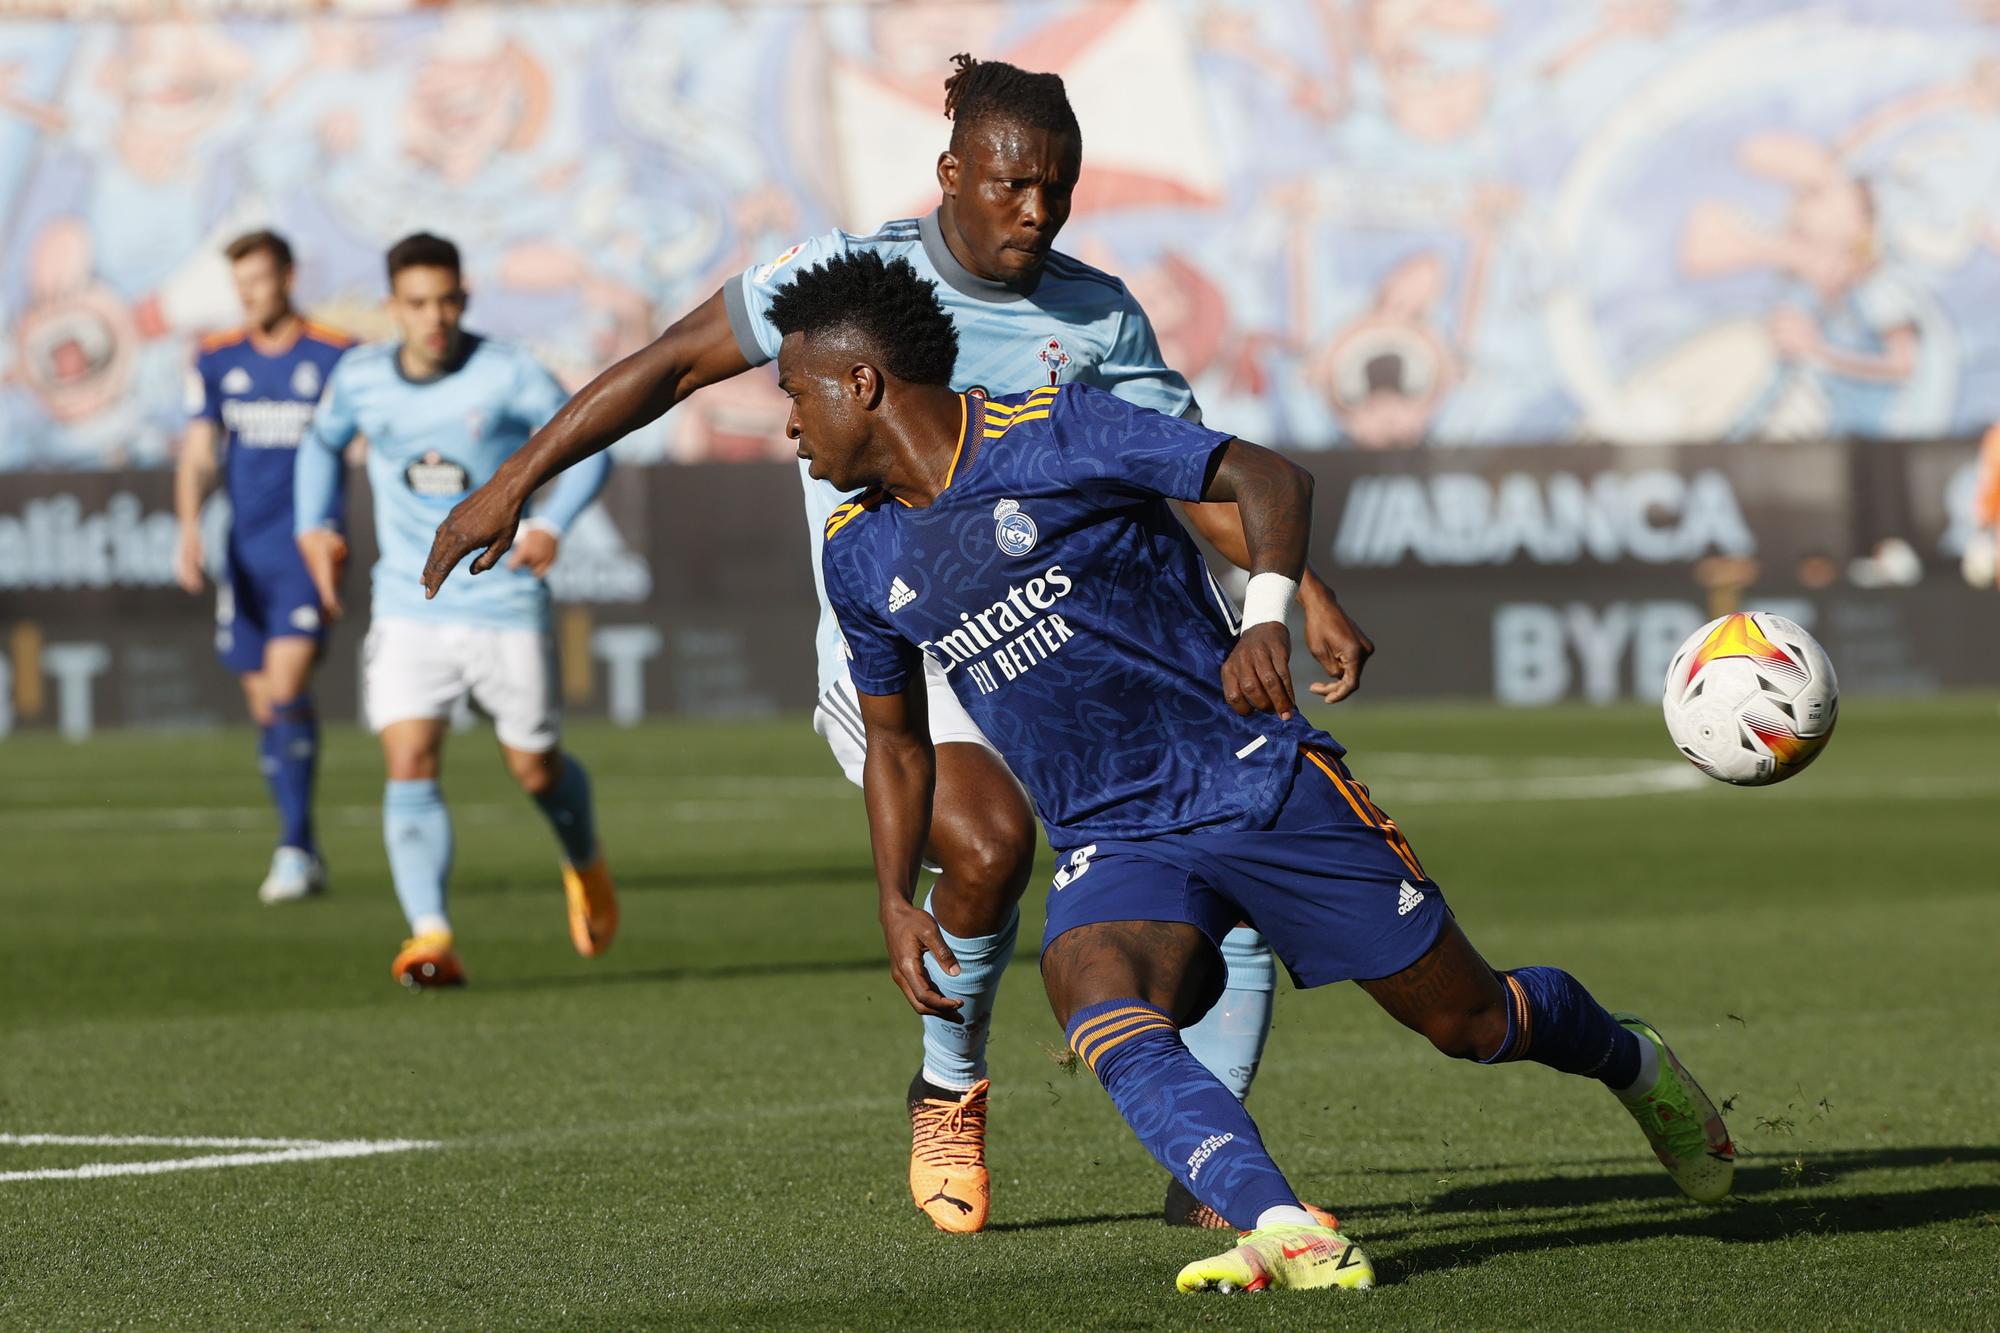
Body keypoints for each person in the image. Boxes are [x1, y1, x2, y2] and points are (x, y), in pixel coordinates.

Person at [421, 54, 1372, 1236]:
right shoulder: (842, 280)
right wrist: (512, 483)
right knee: (985, 842)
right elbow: (670, 364)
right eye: (1015, 184)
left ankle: (1213, 1169)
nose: (1038, 211)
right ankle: (949, 1082)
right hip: (909, 639)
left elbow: (1186, 472)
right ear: (951, 173)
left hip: (1079, 646)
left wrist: (1297, 585)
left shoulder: (1096, 314)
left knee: (1220, 857)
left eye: (1058, 187)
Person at [792, 250, 1735, 1293]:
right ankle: (1281, 1222)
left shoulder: (1055, 428)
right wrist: (888, 897)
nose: (789, 426)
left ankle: (1629, 1059)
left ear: (860, 384)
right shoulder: (857, 552)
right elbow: (896, 741)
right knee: (1093, 994)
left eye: (794, 394)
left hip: (1255, 781)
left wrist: (1267, 620)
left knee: (1470, 1023)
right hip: (1116, 835)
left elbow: (1268, 478)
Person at [294, 233, 617, 987]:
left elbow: (591, 441)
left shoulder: (507, 372)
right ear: (391, 309)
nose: (433, 316)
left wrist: (550, 524)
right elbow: (320, 443)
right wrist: (317, 525)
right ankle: (430, 936)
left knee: (534, 769)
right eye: (417, 303)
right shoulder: (362, 377)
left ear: (463, 300)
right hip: (409, 604)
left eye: (446, 300)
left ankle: (585, 859)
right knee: (409, 759)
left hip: (503, 602)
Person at [174, 229, 351, 903]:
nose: (250, 294)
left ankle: (293, 848)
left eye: (261, 279)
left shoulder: (334, 353)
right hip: (242, 554)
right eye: (240, 284)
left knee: (284, 689)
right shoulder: (217, 358)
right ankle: (302, 842)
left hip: (307, 550)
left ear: (288, 275)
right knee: (265, 706)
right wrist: (189, 527)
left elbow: (362, 441)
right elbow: (197, 451)